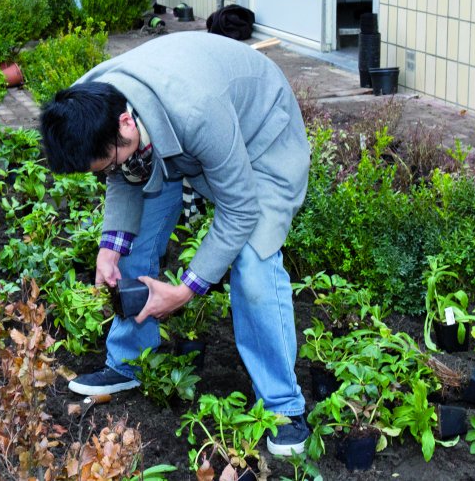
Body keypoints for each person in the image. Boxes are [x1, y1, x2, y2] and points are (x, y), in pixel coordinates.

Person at [39, 31, 311, 458]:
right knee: (128, 247)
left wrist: (185, 291)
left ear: (125, 124)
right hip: (174, 136)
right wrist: (109, 247)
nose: (110, 170)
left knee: (253, 262)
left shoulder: (199, 111)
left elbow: (239, 209)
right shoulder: (93, 101)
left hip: (261, 135)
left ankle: (284, 406)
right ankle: (127, 363)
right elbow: (120, 173)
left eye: (110, 161)